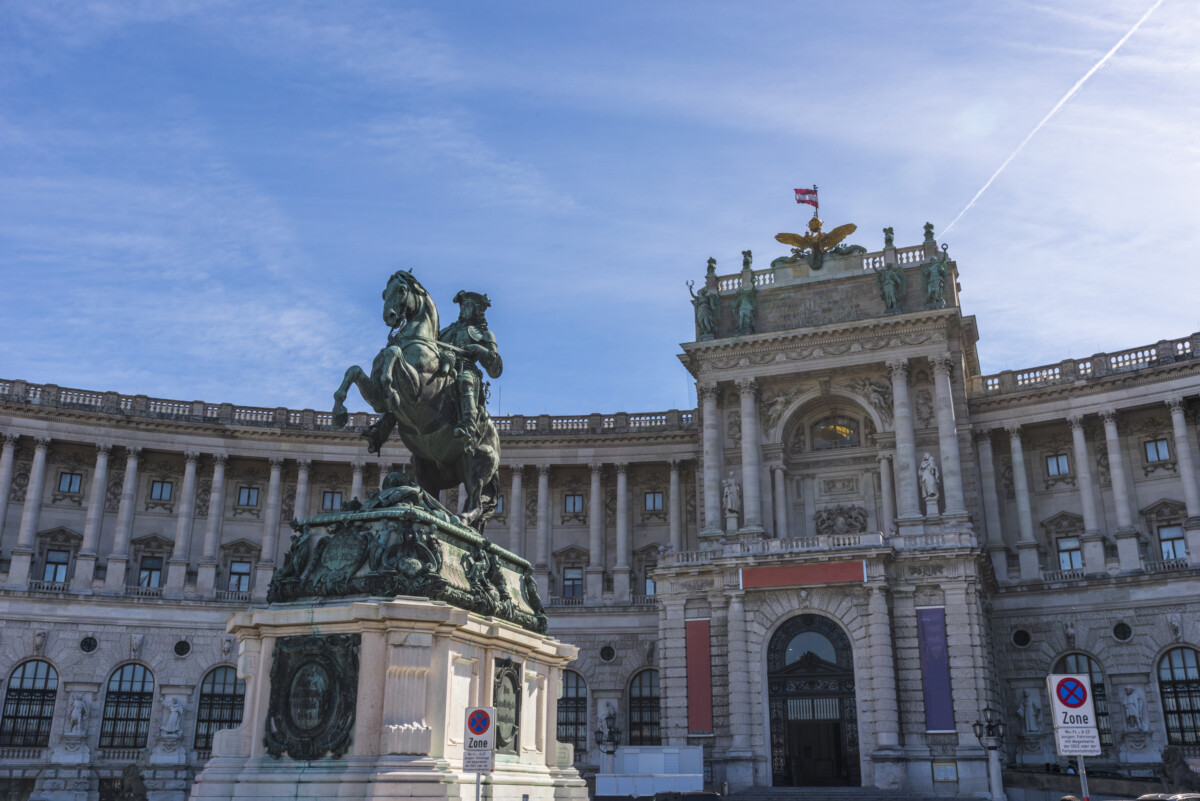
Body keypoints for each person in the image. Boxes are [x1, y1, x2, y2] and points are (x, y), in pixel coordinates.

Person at [439, 291, 503, 442]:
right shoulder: (447, 331)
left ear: (477, 310)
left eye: (468, 306)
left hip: (466, 368)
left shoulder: (484, 334)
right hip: (443, 366)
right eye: (462, 306)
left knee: (464, 381)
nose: (463, 309)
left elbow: (496, 368)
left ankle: (469, 426)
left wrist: (480, 350)